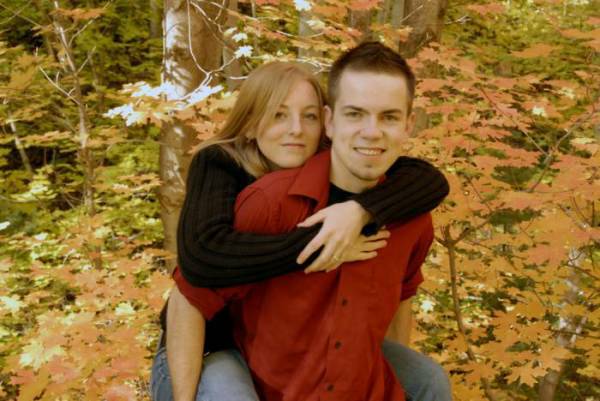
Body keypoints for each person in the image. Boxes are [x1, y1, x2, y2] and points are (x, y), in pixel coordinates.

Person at [154, 43, 452, 401]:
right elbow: (199, 267)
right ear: (250, 123)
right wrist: (323, 243)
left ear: (324, 124)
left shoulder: (359, 169)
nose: (296, 130)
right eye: (278, 115)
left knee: (428, 380)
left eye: (308, 117)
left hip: (294, 346)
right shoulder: (224, 168)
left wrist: (359, 211)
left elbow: (428, 181)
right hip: (207, 343)